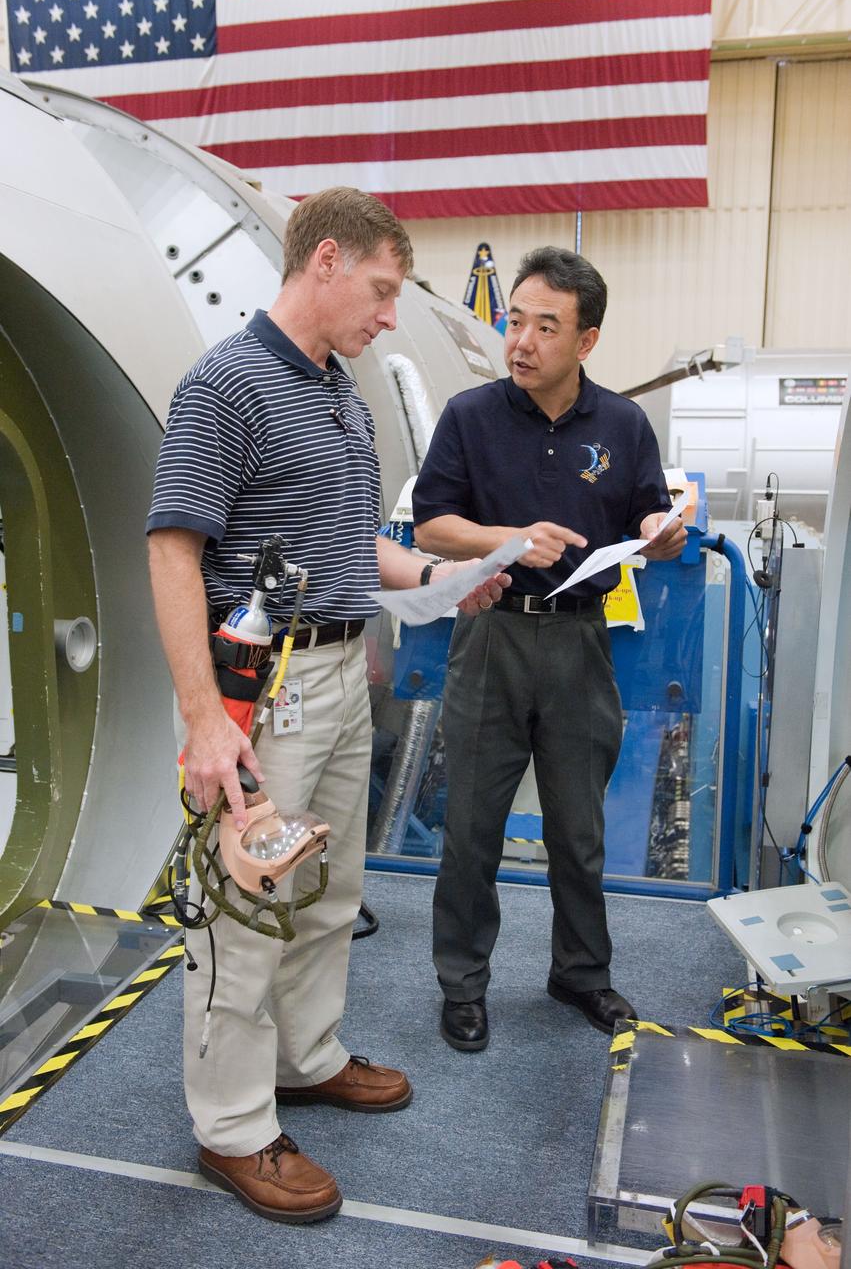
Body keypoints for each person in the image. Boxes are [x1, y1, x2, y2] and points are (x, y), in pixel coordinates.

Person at [146, 187, 507, 1223]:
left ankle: (304, 1056)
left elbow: (354, 546)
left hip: (343, 676)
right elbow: (172, 552)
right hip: (261, 688)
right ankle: (232, 1126)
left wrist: (438, 580)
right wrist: (206, 717)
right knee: (244, 910)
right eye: (383, 291)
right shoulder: (226, 385)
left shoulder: (338, 389)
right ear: (327, 261)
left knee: (328, 891)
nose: (389, 314)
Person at [412, 246, 686, 1053]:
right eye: (514, 322)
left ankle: (579, 974)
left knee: (578, 826)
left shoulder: (624, 425)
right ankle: (461, 983)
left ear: (586, 341)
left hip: (579, 643)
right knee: (471, 826)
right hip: (491, 635)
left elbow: (649, 521)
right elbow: (431, 524)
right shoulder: (469, 415)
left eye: (544, 326)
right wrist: (507, 537)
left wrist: (658, 532)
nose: (521, 341)